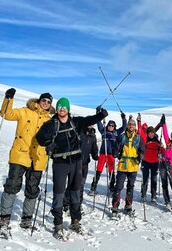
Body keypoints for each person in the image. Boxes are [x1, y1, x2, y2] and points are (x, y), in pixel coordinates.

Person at [36, 99, 108, 239]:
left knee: (75, 192)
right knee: (59, 193)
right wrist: (49, 144)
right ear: (56, 109)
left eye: (64, 107)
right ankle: (58, 225)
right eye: (59, 107)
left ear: (68, 109)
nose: (62, 109)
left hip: (76, 161)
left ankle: (75, 221)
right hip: (60, 162)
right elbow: (40, 137)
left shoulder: (75, 122)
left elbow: (89, 120)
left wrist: (101, 115)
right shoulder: (51, 124)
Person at [0, 89, 54, 237]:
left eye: (48, 102)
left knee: (32, 189)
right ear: (39, 100)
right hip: (20, 155)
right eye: (44, 100)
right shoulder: (25, 112)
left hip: (38, 158)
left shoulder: (50, 120)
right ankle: (4, 219)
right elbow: (6, 114)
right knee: (12, 185)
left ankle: (27, 219)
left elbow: (54, 138)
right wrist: (8, 99)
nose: (45, 103)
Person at [111, 118, 144, 217]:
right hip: (123, 165)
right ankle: (115, 207)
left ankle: (128, 206)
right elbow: (115, 149)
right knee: (118, 187)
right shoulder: (121, 137)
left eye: (133, 125)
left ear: (135, 127)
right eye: (130, 125)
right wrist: (116, 153)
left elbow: (142, 150)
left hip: (133, 166)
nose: (131, 126)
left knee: (130, 187)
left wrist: (140, 158)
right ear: (127, 126)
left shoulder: (138, 138)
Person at [88, 113, 127, 196]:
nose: (110, 127)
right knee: (98, 171)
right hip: (103, 154)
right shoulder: (103, 131)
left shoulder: (116, 133)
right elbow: (99, 123)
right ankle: (93, 188)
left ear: (114, 127)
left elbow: (124, 127)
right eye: (109, 125)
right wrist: (98, 113)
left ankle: (112, 188)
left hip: (111, 155)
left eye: (112, 126)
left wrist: (124, 118)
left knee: (111, 172)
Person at [63, 124, 99, 213]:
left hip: (84, 164)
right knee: (72, 183)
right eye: (89, 123)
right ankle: (66, 204)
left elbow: (94, 147)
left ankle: (78, 204)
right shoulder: (79, 132)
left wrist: (95, 155)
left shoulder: (92, 135)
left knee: (81, 185)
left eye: (92, 123)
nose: (90, 125)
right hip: (75, 162)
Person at [137, 114, 164, 204]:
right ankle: (143, 195)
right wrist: (139, 121)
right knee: (145, 179)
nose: (151, 134)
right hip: (145, 162)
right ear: (147, 133)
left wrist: (161, 124)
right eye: (150, 133)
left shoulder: (157, 141)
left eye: (152, 133)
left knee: (154, 179)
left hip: (155, 163)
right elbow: (140, 131)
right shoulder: (145, 139)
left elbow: (163, 151)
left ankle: (153, 195)